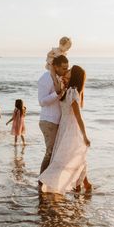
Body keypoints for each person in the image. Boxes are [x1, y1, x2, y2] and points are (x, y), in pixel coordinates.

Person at [38, 65, 92, 195]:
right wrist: (54, 71)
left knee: (69, 156)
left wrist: (84, 135)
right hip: (65, 127)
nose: (66, 72)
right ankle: (83, 184)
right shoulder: (68, 89)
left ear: (74, 76)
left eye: (69, 71)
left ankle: (83, 184)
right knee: (68, 156)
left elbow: (78, 116)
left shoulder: (72, 91)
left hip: (71, 129)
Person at [38, 55, 69, 175]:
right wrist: (56, 94)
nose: (65, 71)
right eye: (63, 68)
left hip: (58, 121)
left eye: (67, 68)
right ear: (55, 67)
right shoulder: (45, 78)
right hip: (48, 121)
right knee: (50, 152)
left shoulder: (60, 78)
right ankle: (41, 181)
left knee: (56, 153)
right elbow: (41, 101)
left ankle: (50, 179)